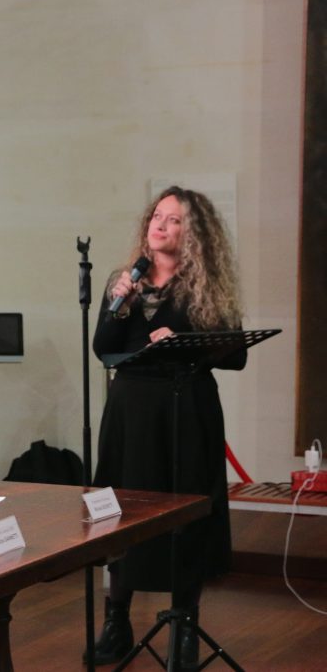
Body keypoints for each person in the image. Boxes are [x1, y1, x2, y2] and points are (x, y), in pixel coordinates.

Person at [89, 187, 245, 668]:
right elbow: (103, 348)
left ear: (194, 233)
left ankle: (185, 626)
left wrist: (183, 341)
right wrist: (120, 303)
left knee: (185, 512)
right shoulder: (124, 281)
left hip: (186, 409)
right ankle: (117, 621)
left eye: (174, 219)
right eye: (157, 216)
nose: (160, 225)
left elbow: (235, 353)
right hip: (131, 411)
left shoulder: (207, 284)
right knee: (124, 513)